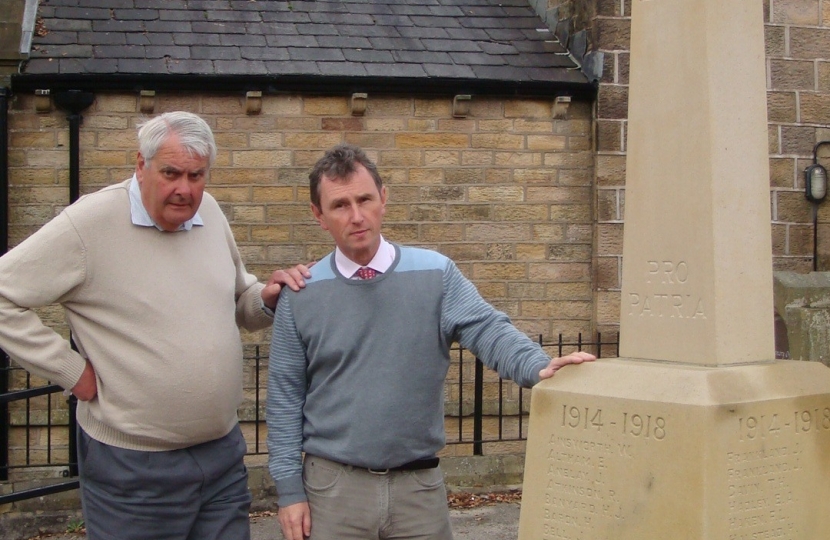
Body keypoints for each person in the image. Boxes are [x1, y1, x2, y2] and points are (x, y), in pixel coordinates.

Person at [0, 111, 310, 540]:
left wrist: (267, 297)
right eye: (171, 173)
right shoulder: (89, 223)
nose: (185, 189)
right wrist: (71, 372)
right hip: (133, 468)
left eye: (196, 175)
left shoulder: (211, 213)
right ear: (140, 166)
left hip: (221, 456)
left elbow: (240, 300)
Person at [266, 143, 596, 540]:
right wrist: (288, 491)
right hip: (333, 493)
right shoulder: (301, 294)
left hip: (418, 492)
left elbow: (487, 328)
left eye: (365, 199)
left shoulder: (436, 275)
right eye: (339, 205)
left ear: (384, 199)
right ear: (318, 215)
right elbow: (284, 399)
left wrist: (536, 366)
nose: (356, 216)